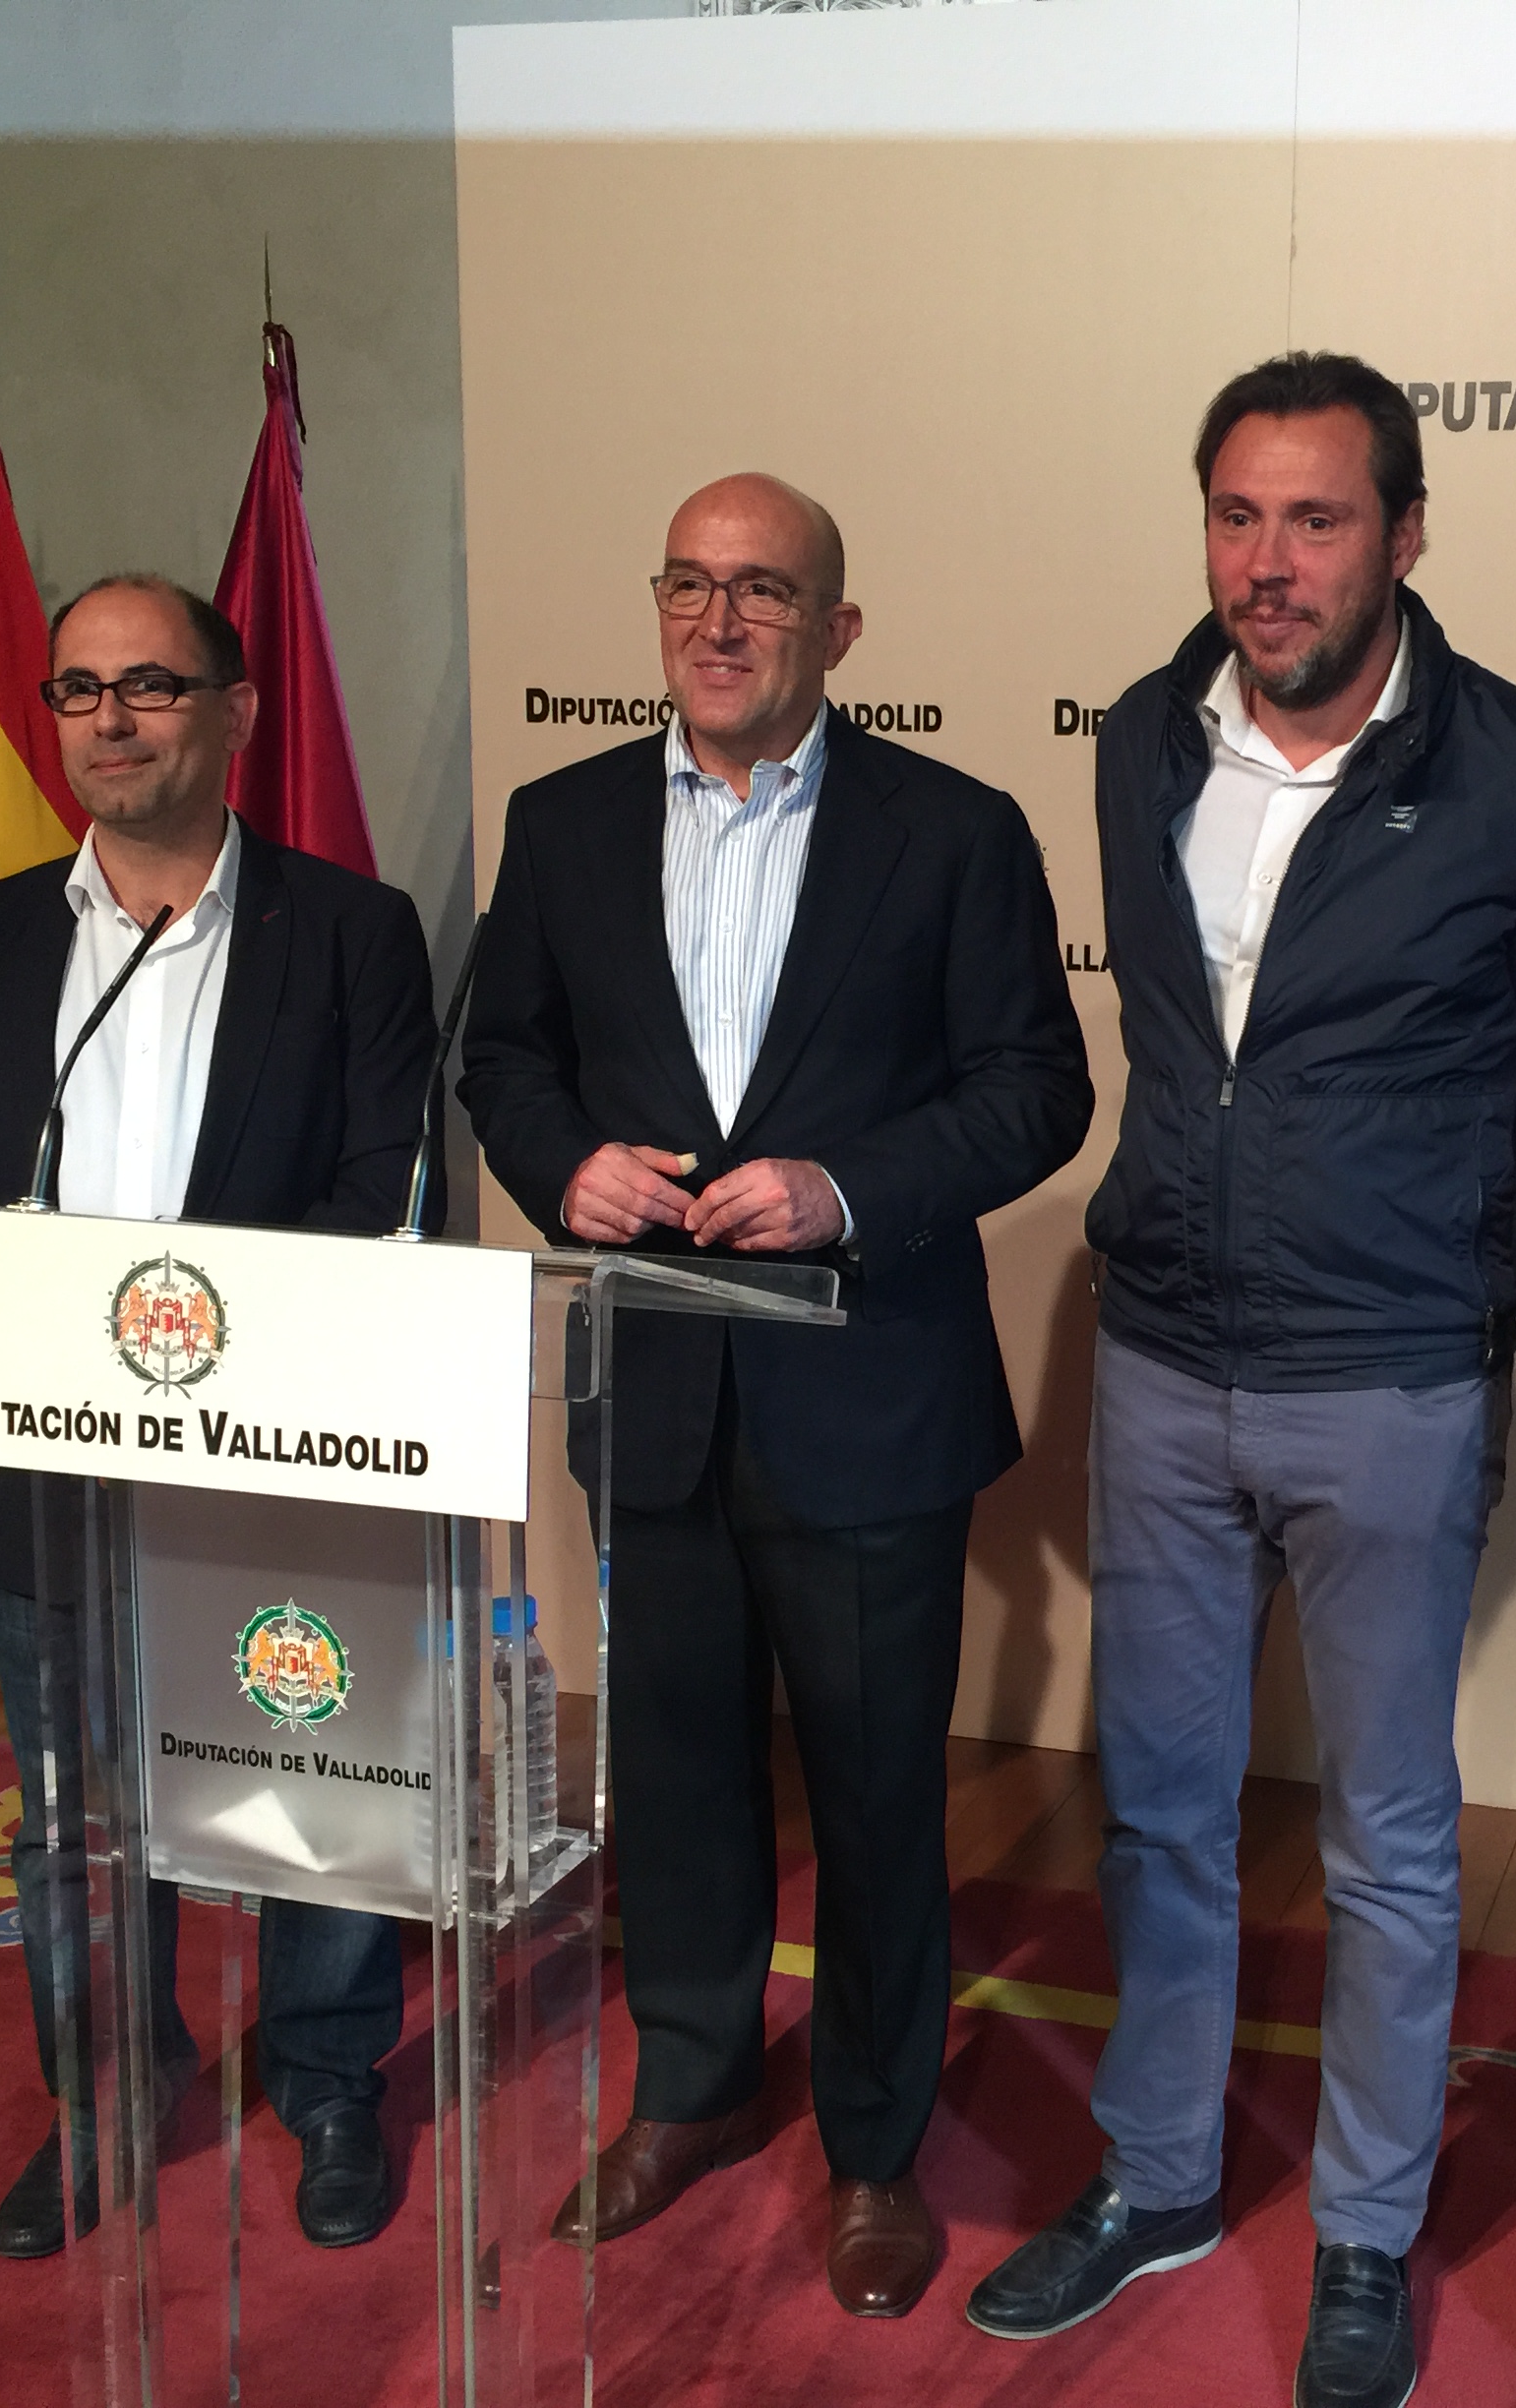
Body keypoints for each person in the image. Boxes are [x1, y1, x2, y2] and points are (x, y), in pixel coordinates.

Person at [966, 352, 1516, 2408]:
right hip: (1165, 1361)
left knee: (1391, 1839)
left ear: (1406, 535)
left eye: (1318, 519)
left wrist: (1457, 1264)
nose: (1270, 564)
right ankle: (1162, 2175)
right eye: (1238, 517)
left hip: (1388, 1387)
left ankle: (1366, 2230)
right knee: (1164, 1814)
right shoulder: (1138, 738)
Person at [459, 473, 1091, 2318]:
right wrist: (561, 1163)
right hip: (652, 1389)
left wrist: (845, 1191)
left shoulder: (953, 831)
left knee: (880, 1790)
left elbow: (1035, 1088)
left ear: (838, 630)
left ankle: (875, 2141)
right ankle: (694, 2085)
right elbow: (504, 1057)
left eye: (761, 591)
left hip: (870, 1396)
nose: (716, 623)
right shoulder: (563, 821)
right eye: (687, 585)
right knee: (673, 1770)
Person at [0, 572, 442, 2258]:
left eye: (149, 685)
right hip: (47, 1465)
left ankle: (328, 2081)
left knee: (307, 1791)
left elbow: (381, 1189)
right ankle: (108, 2092)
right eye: (78, 690)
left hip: (275, 1453)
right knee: (72, 1818)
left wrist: (210, 1367)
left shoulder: (350, 931)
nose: (110, 720)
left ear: (235, 711)